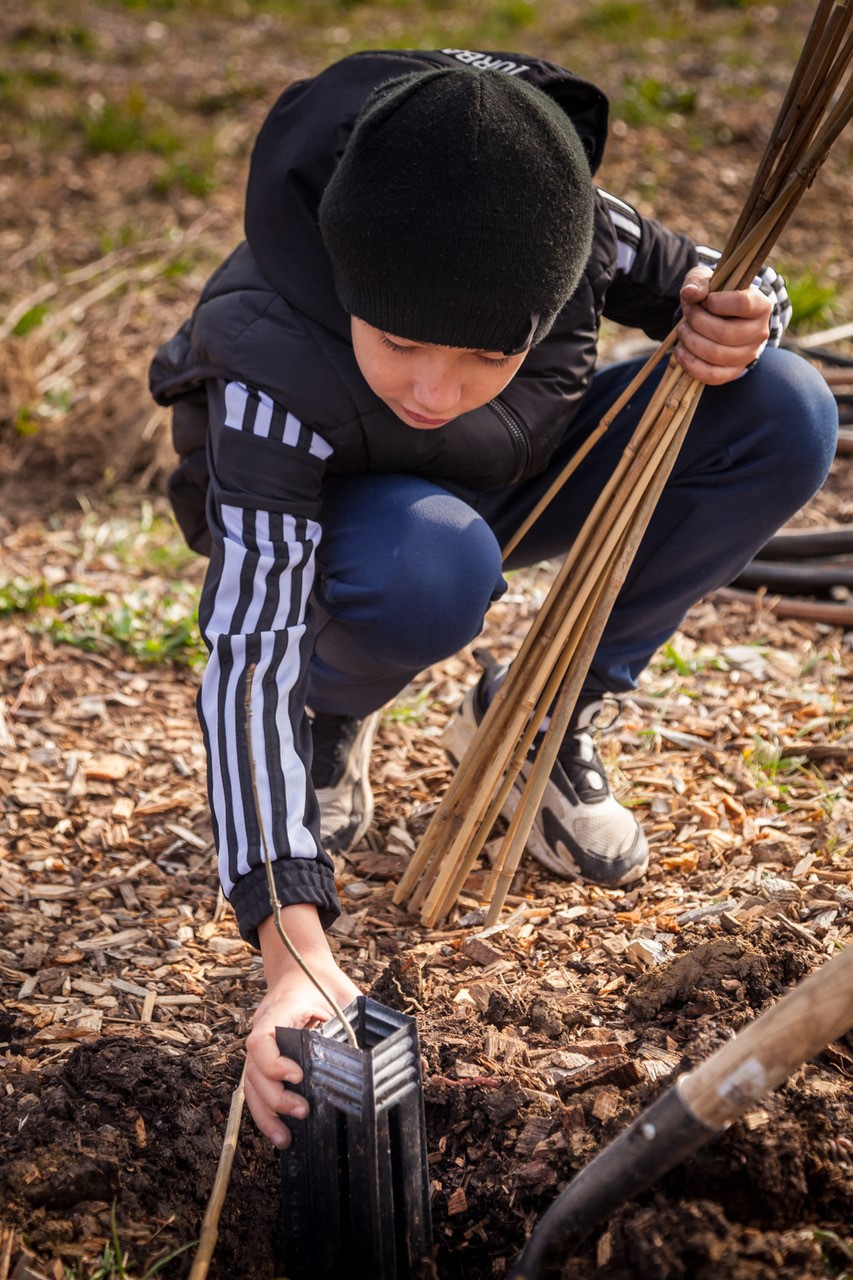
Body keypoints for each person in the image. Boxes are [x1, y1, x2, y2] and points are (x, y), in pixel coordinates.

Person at [149, 48, 838, 1148]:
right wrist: (294, 949)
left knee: (782, 407)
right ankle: (335, 715)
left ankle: (545, 714)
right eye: (401, 340)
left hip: (519, 472)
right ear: (346, 281)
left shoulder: (566, 224)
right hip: (368, 538)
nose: (433, 388)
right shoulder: (268, 356)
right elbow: (248, 646)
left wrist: (741, 311)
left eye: (483, 350)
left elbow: (726, 270)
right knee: (431, 567)